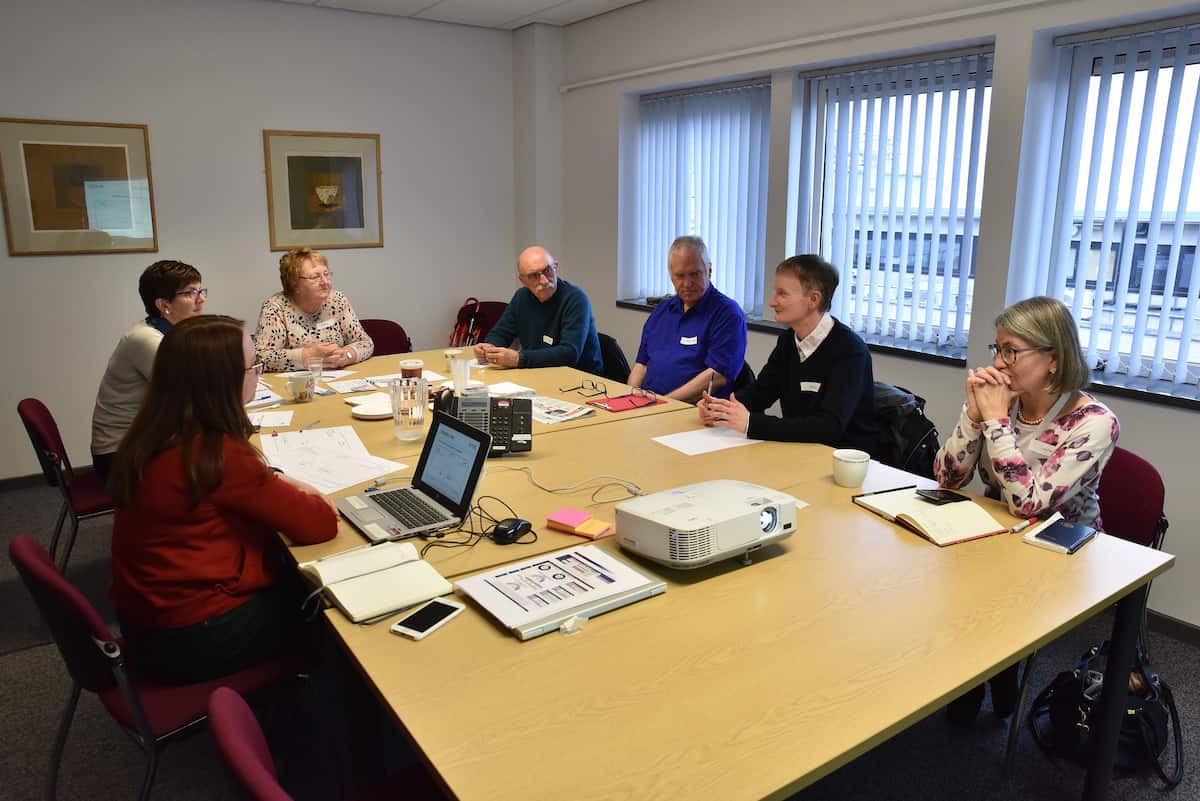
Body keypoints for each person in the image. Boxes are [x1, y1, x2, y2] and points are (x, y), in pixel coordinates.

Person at [108, 315, 337, 684]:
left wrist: (273, 478)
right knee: (324, 603)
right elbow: (320, 524)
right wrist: (306, 492)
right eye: (253, 365)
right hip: (195, 637)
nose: (258, 373)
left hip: (149, 623)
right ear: (223, 380)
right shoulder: (215, 455)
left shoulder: (158, 432)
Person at [935, 295, 1119, 725]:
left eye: (1011, 351)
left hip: (1059, 549)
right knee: (940, 576)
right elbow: (948, 476)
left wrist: (996, 422)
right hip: (996, 532)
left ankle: (993, 672)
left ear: (1052, 358)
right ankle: (979, 674)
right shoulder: (1006, 402)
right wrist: (974, 415)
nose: (1000, 363)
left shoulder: (1094, 422)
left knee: (986, 599)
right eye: (997, 349)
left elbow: (1029, 504)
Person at [699, 255, 878, 451]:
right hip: (799, 450)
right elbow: (761, 393)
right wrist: (721, 409)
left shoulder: (850, 351)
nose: (772, 302)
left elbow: (829, 428)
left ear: (813, 300)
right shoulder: (788, 341)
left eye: (782, 294)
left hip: (843, 460)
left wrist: (751, 423)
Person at [90, 260, 207, 482]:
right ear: (164, 305)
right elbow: (192, 397)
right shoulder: (146, 340)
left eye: (201, 291)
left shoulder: (171, 333)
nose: (201, 300)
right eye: (191, 293)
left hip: (146, 441)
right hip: (120, 457)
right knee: (219, 468)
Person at [628, 236, 747, 402]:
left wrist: (664, 404)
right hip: (648, 407)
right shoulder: (662, 310)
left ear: (709, 271)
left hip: (694, 412)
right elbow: (641, 365)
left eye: (695, 274)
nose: (687, 283)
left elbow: (718, 376)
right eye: (680, 276)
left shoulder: (727, 314)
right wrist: (630, 397)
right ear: (671, 276)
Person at [473, 246, 603, 373]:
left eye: (547, 270)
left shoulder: (575, 298)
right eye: (534, 276)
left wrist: (519, 359)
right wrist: (489, 348)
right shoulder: (522, 297)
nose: (544, 281)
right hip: (540, 372)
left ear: (556, 268)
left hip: (581, 381)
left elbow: (569, 354)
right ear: (523, 280)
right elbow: (500, 333)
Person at [254, 247, 374, 372]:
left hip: (337, 379)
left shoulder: (337, 300)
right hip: (296, 384)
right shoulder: (276, 307)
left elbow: (366, 343)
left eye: (326, 274)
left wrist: (347, 355)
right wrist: (308, 356)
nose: (325, 282)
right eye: (315, 277)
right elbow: (260, 357)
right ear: (294, 283)